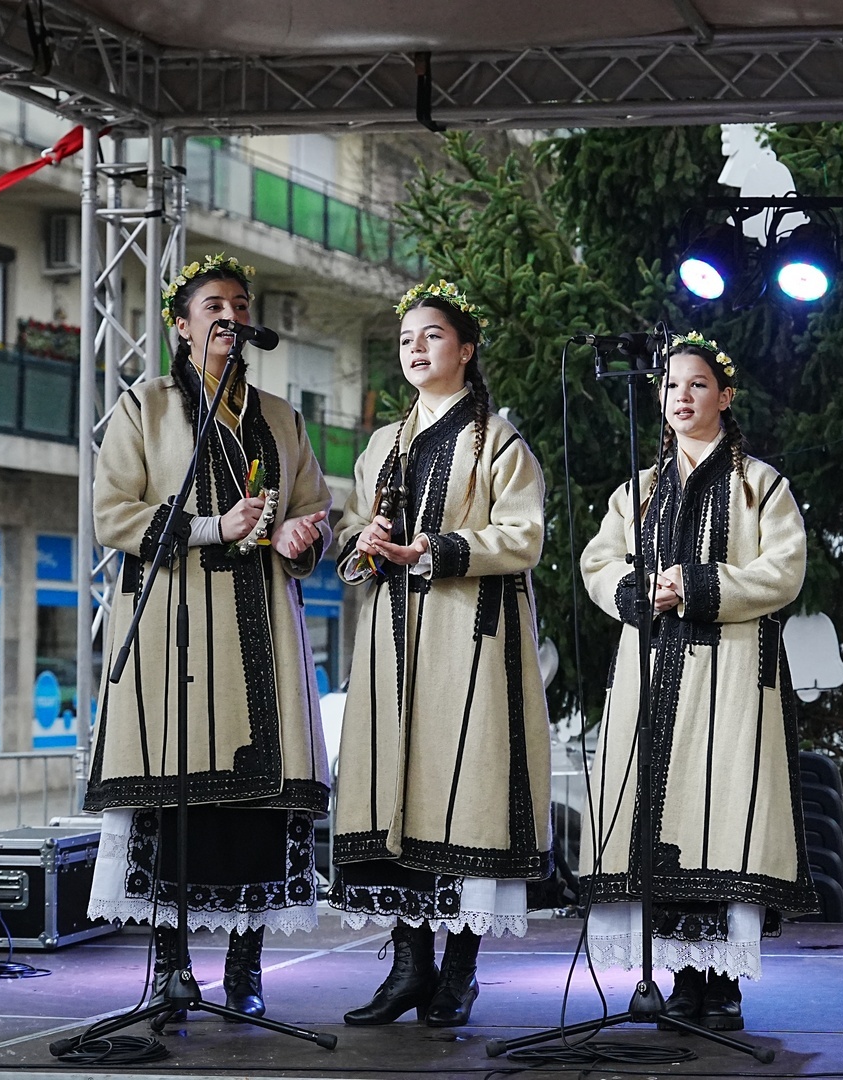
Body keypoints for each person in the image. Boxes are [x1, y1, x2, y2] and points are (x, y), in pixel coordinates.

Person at [85, 253, 333, 1018]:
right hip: (176, 628)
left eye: (240, 305)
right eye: (214, 306)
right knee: (176, 801)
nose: (231, 316)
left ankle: (246, 967)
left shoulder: (283, 418)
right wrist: (209, 527)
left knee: (257, 806)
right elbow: (112, 514)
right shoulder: (146, 407)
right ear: (182, 326)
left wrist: (299, 535)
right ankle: (170, 967)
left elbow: (317, 510)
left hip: (263, 630)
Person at [328, 281, 551, 1027]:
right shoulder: (381, 445)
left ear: (466, 349)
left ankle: (459, 971)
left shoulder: (499, 443)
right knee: (398, 790)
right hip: (392, 638)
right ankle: (408, 965)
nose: (416, 349)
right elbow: (351, 529)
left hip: (470, 637)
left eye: (432, 336)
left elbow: (524, 537)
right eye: (406, 340)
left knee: (466, 795)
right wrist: (362, 540)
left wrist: (437, 549)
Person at [579, 332, 816, 1031]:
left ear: (726, 395)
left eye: (698, 384)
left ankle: (725, 985)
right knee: (661, 818)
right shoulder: (638, 488)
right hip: (654, 666)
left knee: (725, 817)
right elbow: (598, 564)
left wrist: (700, 584)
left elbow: (784, 572)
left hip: (734, 670)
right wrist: (636, 592)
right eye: (671, 385)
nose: (681, 396)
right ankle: (681, 978)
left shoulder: (762, 484)